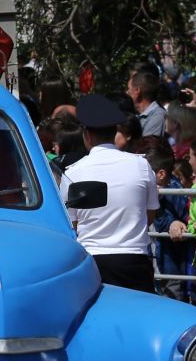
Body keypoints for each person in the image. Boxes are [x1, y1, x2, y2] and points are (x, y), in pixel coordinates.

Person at [57, 94, 160, 291]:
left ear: (86, 134)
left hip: (92, 262)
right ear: (114, 132)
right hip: (134, 261)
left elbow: (72, 225)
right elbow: (150, 214)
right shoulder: (141, 165)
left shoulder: (73, 173)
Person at [126, 69, 166, 144]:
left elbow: (145, 148)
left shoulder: (157, 116)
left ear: (137, 91)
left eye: (129, 89)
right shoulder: (136, 113)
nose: (127, 92)